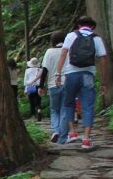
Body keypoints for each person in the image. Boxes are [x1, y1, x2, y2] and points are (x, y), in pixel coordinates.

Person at [57, 15, 107, 150]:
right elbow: (103, 59)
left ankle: (73, 132)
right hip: (88, 75)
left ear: (79, 25)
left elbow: (63, 54)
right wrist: (103, 81)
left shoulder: (71, 35)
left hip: (71, 74)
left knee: (68, 102)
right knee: (88, 105)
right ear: (91, 26)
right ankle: (86, 139)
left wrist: (58, 73)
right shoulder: (96, 38)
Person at [41, 30, 68, 144]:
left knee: (54, 110)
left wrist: (41, 86)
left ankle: (55, 131)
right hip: (67, 83)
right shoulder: (68, 51)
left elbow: (44, 70)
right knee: (64, 110)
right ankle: (62, 137)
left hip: (53, 85)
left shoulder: (49, 52)